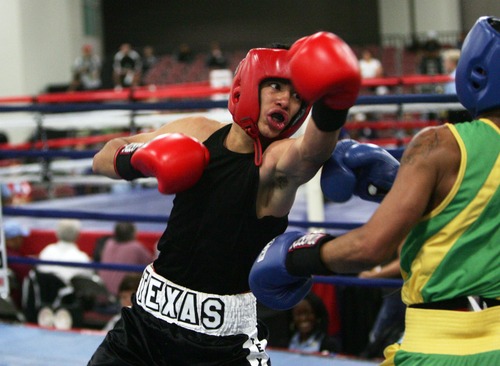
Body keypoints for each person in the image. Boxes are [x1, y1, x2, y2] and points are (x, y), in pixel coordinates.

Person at [88, 31, 374, 365]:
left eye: (298, 95)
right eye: (276, 86)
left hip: (222, 344)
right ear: (249, 83)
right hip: (143, 326)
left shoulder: (275, 163)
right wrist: (140, 158)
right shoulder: (198, 131)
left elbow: (310, 153)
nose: (286, 101)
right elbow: (103, 157)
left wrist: (333, 103)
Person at [250, 16, 500, 365]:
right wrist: (403, 187)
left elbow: (371, 247)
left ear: (476, 71)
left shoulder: (441, 145)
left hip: (442, 347)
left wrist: (298, 255)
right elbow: (480, 207)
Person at [98, 222, 154, 296]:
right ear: (133, 233)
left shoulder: (108, 243)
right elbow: (153, 265)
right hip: (122, 294)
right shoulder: (136, 247)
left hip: (103, 291)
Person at [37, 219, 93, 283]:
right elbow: (88, 283)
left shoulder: (46, 251)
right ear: (78, 235)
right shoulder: (82, 259)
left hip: (45, 292)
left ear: (56, 232)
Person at [3, 220, 31, 308]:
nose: (22, 240)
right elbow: (29, 278)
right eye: (21, 237)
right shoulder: (17, 262)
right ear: (13, 239)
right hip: (16, 305)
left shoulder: (7, 254)